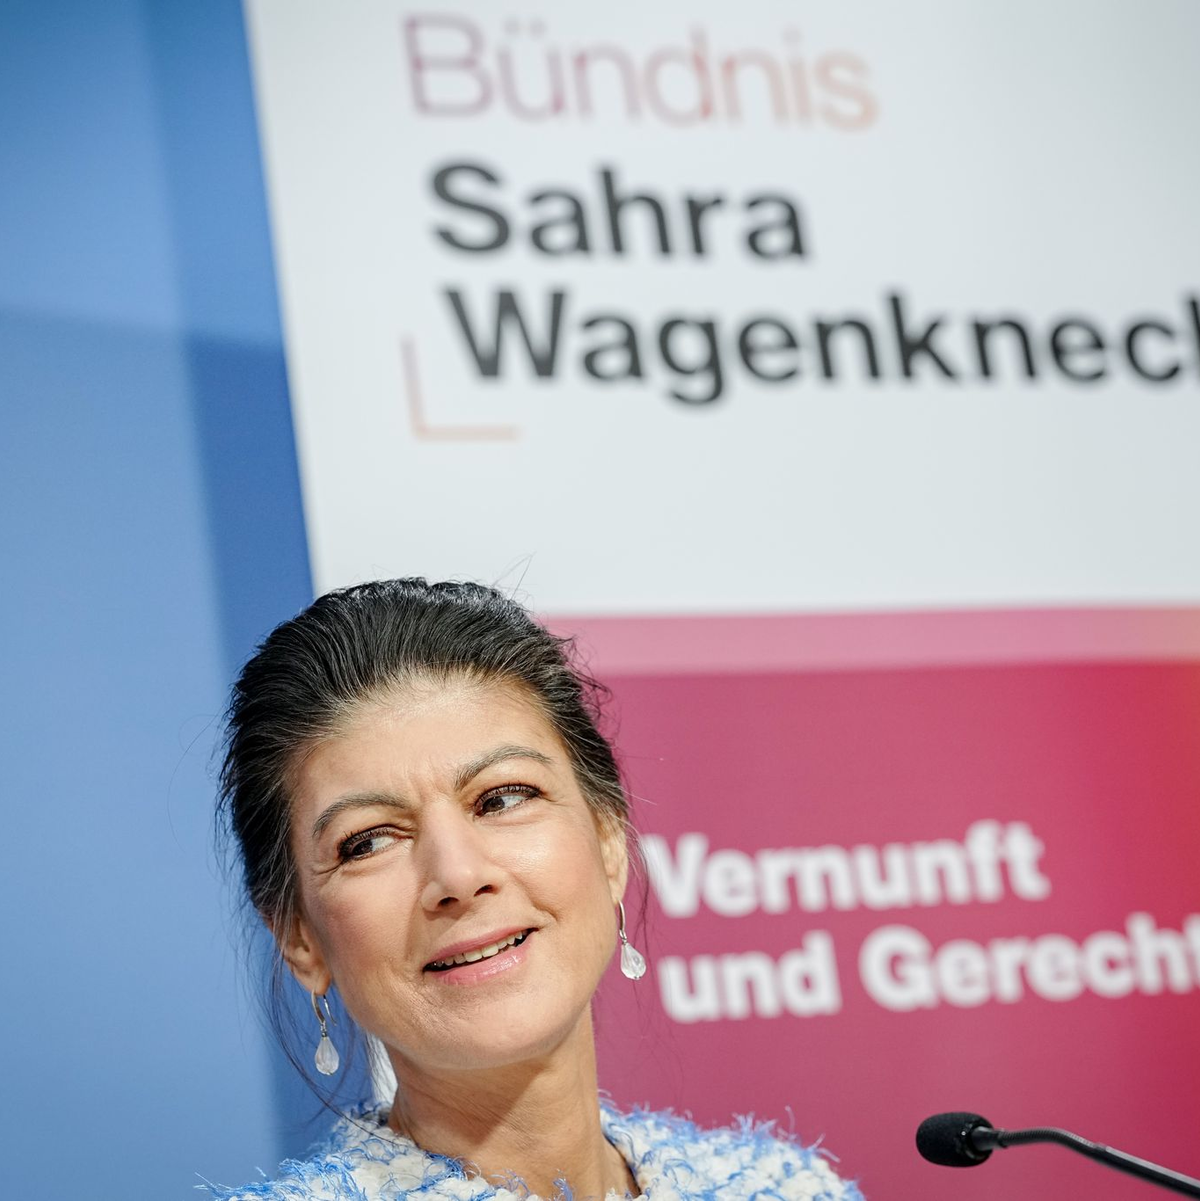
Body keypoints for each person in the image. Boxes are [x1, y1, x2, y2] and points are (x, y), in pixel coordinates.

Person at [211, 578, 864, 1200]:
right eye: (370, 840)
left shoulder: (791, 1189)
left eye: (502, 798)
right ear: (300, 938)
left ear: (609, 839)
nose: (459, 875)